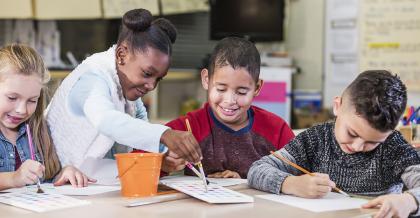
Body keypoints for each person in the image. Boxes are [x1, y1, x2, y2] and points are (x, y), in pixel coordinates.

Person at [248, 70, 420, 218]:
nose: (358, 146)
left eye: (372, 142)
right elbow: (257, 170)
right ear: (338, 106)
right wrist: (291, 184)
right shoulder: (315, 139)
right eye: (352, 133)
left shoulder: (393, 146)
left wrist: (409, 201)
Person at [45, 8, 202, 170]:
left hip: (91, 183)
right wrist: (165, 134)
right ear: (121, 55)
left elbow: (139, 130)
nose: (151, 85)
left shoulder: (128, 93)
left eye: (158, 79)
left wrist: (163, 156)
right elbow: (107, 121)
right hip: (59, 183)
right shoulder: (92, 78)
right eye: (147, 73)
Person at [165, 37, 294, 178]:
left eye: (241, 92)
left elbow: (299, 172)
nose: (230, 101)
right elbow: (140, 157)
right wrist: (163, 163)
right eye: (220, 89)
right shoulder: (189, 127)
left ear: (257, 88)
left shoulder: (276, 129)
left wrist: (247, 180)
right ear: (206, 80)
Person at [0, 44, 94, 190]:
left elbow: (47, 178)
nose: (21, 110)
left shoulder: (38, 130)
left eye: (32, 100)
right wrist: (14, 178)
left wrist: (64, 173)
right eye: (12, 98)